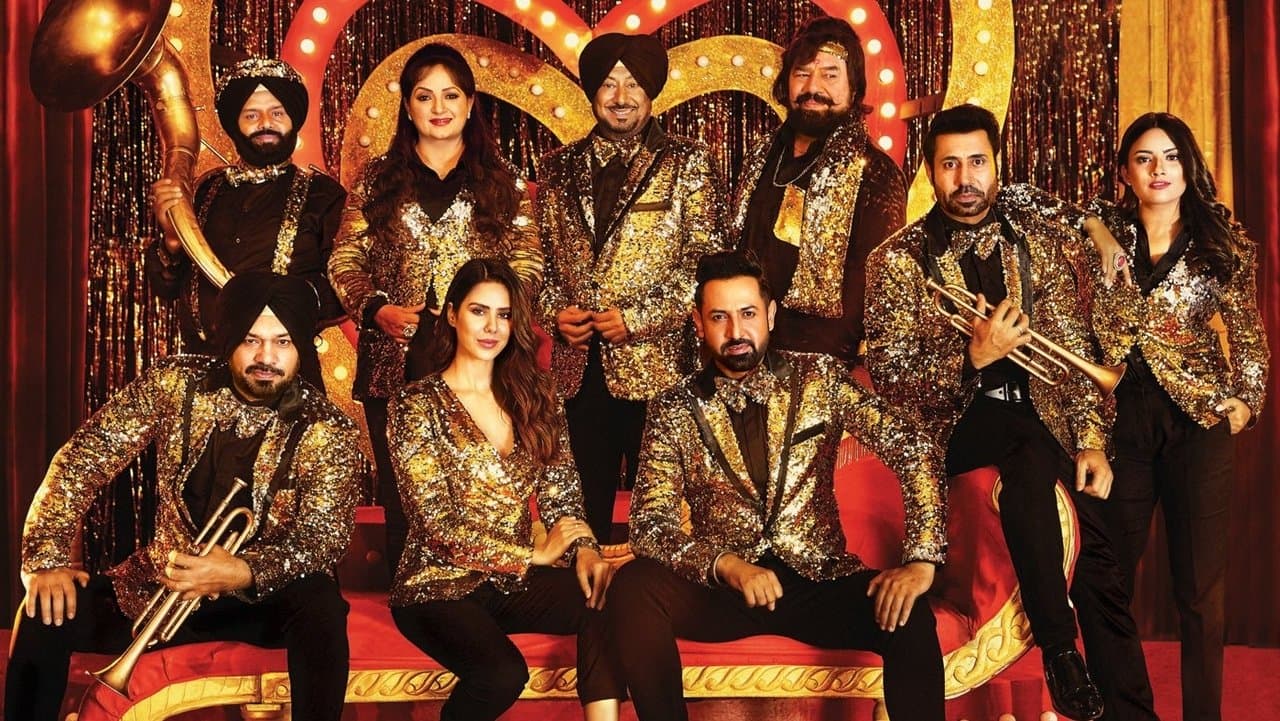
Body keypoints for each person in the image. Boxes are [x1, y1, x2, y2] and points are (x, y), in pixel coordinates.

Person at [864, 104, 1158, 721]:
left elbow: (1072, 351)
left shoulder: (1035, 244)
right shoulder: (897, 260)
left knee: (1099, 566)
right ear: (930, 172)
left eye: (977, 162)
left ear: (997, 165)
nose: (965, 178)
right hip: (952, 429)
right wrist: (972, 357)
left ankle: (1125, 709)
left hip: (1041, 425)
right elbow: (892, 380)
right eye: (950, 165)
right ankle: (1060, 648)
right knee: (1022, 445)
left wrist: (1090, 440)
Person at [5, 272, 362, 721]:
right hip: (159, 588)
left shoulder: (328, 427)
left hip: (260, 602)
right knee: (43, 610)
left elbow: (323, 538)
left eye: (283, 342)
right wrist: (47, 558)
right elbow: (83, 458)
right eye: (251, 339)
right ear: (229, 337)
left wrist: (243, 572)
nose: (266, 357)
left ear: (301, 348)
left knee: (321, 603)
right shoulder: (175, 382)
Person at [608, 250, 947, 721]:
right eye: (719, 317)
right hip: (724, 591)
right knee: (633, 587)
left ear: (770, 314)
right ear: (698, 323)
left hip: (817, 582)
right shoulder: (673, 407)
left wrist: (922, 560)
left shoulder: (820, 377)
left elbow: (915, 447)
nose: (736, 331)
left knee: (910, 614)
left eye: (748, 314)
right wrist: (726, 565)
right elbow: (649, 525)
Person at [328, 43, 541, 571]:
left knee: (480, 486)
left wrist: (493, 315)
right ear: (407, 106)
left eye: (451, 95)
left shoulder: (504, 183)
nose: (438, 107)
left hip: (481, 362)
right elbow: (344, 259)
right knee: (404, 490)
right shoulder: (376, 180)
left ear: (470, 104)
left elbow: (529, 263)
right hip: (393, 360)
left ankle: (484, 585)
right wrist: (374, 308)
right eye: (425, 96)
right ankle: (409, 595)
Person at [1084, 112, 1267, 721]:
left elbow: (1249, 336)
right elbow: (1032, 202)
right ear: (1125, 172)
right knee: (1106, 577)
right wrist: (1096, 228)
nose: (1158, 169)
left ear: (1188, 167)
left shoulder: (1222, 243)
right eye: (1143, 158)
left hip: (1196, 424)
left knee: (1199, 593)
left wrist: (1247, 400)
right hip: (1119, 419)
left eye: (1170, 157)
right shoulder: (1103, 230)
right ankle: (1125, 711)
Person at [386, 258, 624, 721]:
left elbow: (562, 493)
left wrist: (585, 551)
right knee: (501, 673)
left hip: (511, 582)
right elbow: (435, 525)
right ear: (452, 315)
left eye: (504, 314)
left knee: (605, 595)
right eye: (479, 312)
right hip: (435, 587)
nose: (492, 327)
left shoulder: (537, 396)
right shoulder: (415, 405)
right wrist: (532, 554)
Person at [538, 32, 727, 542]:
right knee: (580, 516)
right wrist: (554, 313)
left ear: (651, 90)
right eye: (608, 83)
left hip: (660, 371)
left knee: (663, 520)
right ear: (591, 92)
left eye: (633, 83)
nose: (620, 97)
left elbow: (706, 266)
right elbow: (539, 266)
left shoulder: (689, 162)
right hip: (578, 371)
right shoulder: (556, 169)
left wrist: (638, 319)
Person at [731, 16, 906, 365]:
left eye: (830, 75)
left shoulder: (875, 173)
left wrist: (809, 374)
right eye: (802, 73)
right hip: (740, 352)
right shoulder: (761, 155)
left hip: (817, 368)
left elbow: (874, 295)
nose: (813, 87)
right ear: (786, 83)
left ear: (854, 89)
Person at [149, 58, 347, 358]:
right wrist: (173, 241)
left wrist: (280, 305)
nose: (265, 123)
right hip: (202, 366)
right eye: (251, 114)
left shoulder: (324, 195)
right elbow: (167, 289)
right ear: (235, 124)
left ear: (293, 119)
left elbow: (344, 288)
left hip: (282, 370)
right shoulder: (205, 189)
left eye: (277, 113)